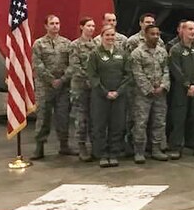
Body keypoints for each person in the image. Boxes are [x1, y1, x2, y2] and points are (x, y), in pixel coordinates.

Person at [87, 27, 130, 167]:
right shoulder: (95, 54)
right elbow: (93, 76)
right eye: (107, 35)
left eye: (113, 35)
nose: (110, 37)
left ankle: (114, 153)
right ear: (101, 36)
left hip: (119, 97)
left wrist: (118, 91)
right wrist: (105, 92)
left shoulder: (122, 54)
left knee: (117, 125)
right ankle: (102, 154)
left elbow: (128, 75)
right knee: (99, 126)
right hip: (100, 97)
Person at [31, 14, 73, 160]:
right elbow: (37, 65)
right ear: (46, 26)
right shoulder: (39, 44)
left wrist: (62, 79)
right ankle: (39, 147)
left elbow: (72, 65)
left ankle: (64, 145)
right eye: (52, 23)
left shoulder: (67, 43)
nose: (55, 26)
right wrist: (51, 80)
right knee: (43, 117)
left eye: (57, 23)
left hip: (62, 87)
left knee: (63, 117)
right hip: (45, 87)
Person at [129, 24, 170, 163]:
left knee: (159, 122)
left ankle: (156, 149)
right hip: (143, 95)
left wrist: (163, 86)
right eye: (152, 34)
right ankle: (139, 151)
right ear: (146, 35)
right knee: (141, 123)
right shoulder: (137, 53)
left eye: (158, 34)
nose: (156, 37)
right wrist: (149, 89)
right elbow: (137, 73)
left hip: (160, 94)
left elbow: (166, 70)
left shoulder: (162, 52)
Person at [168, 20, 194, 159]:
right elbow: (176, 70)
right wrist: (187, 84)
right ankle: (176, 147)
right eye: (190, 29)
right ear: (182, 31)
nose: (192, 32)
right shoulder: (175, 49)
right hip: (181, 89)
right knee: (179, 118)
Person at [68, 17, 97, 162]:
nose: (91, 28)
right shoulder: (75, 45)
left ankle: (94, 145)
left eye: (93, 26)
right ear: (81, 27)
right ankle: (81, 146)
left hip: (95, 88)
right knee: (82, 118)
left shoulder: (97, 45)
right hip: (81, 87)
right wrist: (90, 79)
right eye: (88, 26)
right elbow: (75, 67)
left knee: (94, 117)